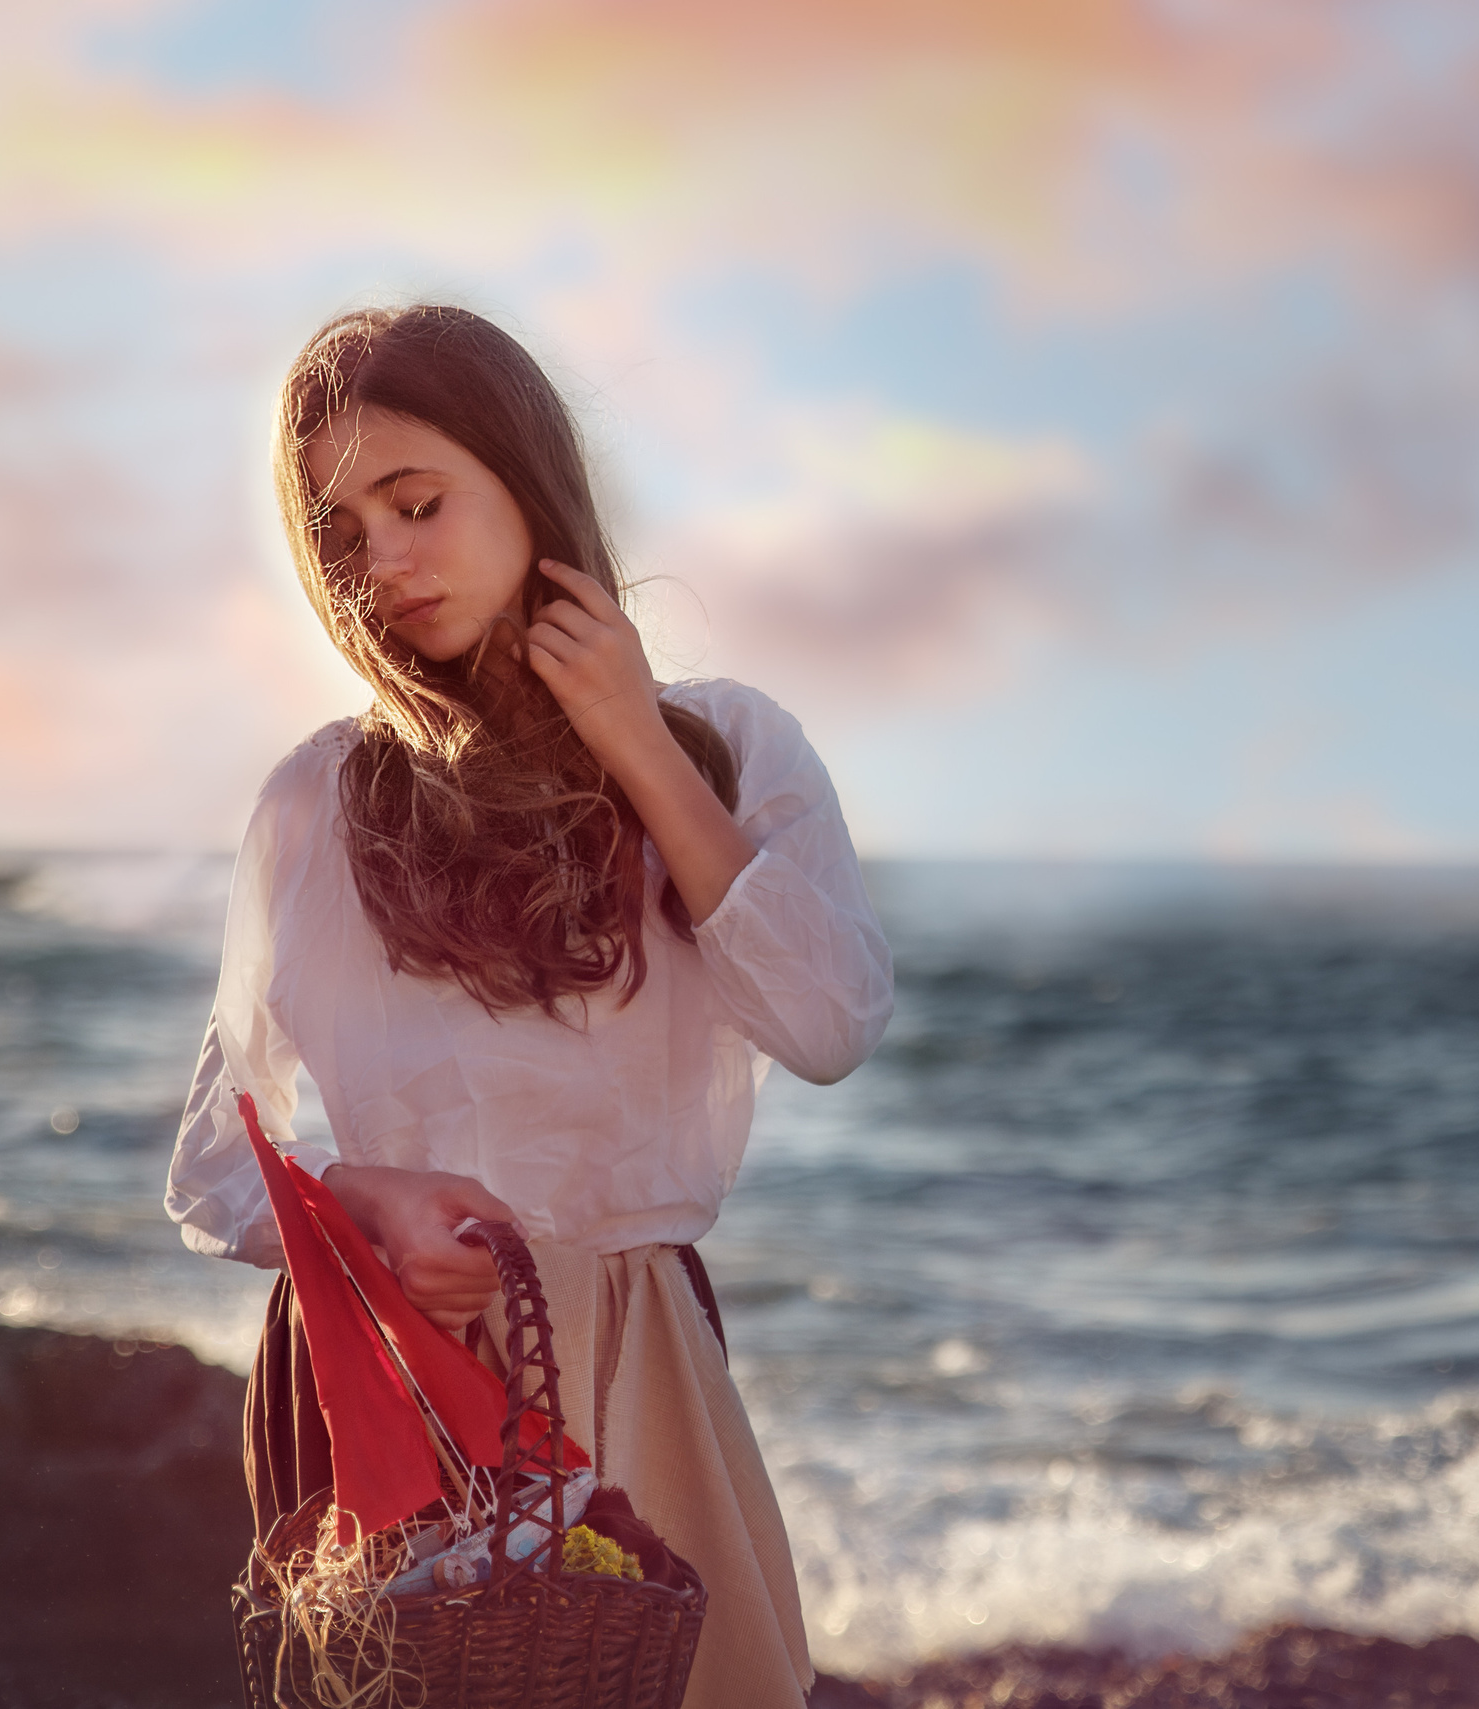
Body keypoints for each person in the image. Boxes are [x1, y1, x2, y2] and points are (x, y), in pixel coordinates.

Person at [163, 303, 892, 1708]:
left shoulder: (731, 746)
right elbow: (211, 1162)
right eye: (340, 533)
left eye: (417, 501)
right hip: (394, 1379)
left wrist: (634, 743)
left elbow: (828, 1022)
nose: (382, 562)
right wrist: (361, 1198)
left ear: (526, 476)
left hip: (640, 1355)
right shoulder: (319, 800)